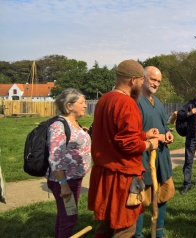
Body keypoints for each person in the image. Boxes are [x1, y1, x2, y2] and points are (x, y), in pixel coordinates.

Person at [88, 60, 159, 237]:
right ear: (133, 80)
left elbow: (114, 134)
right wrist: (150, 144)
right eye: (141, 80)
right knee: (125, 227)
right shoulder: (126, 103)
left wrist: (144, 135)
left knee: (105, 226)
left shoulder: (105, 99)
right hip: (121, 177)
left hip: (105, 173)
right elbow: (128, 144)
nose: (142, 84)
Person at [135, 66, 174, 238]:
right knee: (140, 198)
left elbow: (163, 125)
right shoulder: (135, 101)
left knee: (163, 193)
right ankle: (137, 234)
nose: (156, 83)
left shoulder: (157, 102)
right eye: (153, 79)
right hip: (143, 156)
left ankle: (159, 231)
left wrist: (168, 134)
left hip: (161, 156)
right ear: (143, 78)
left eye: (158, 81)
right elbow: (134, 133)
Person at [47, 88, 91, 238]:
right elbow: (55, 157)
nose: (85, 105)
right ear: (69, 106)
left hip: (74, 178)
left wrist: (83, 133)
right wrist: (63, 184)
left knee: (64, 215)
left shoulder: (74, 123)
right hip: (65, 180)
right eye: (82, 102)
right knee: (69, 219)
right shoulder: (59, 126)